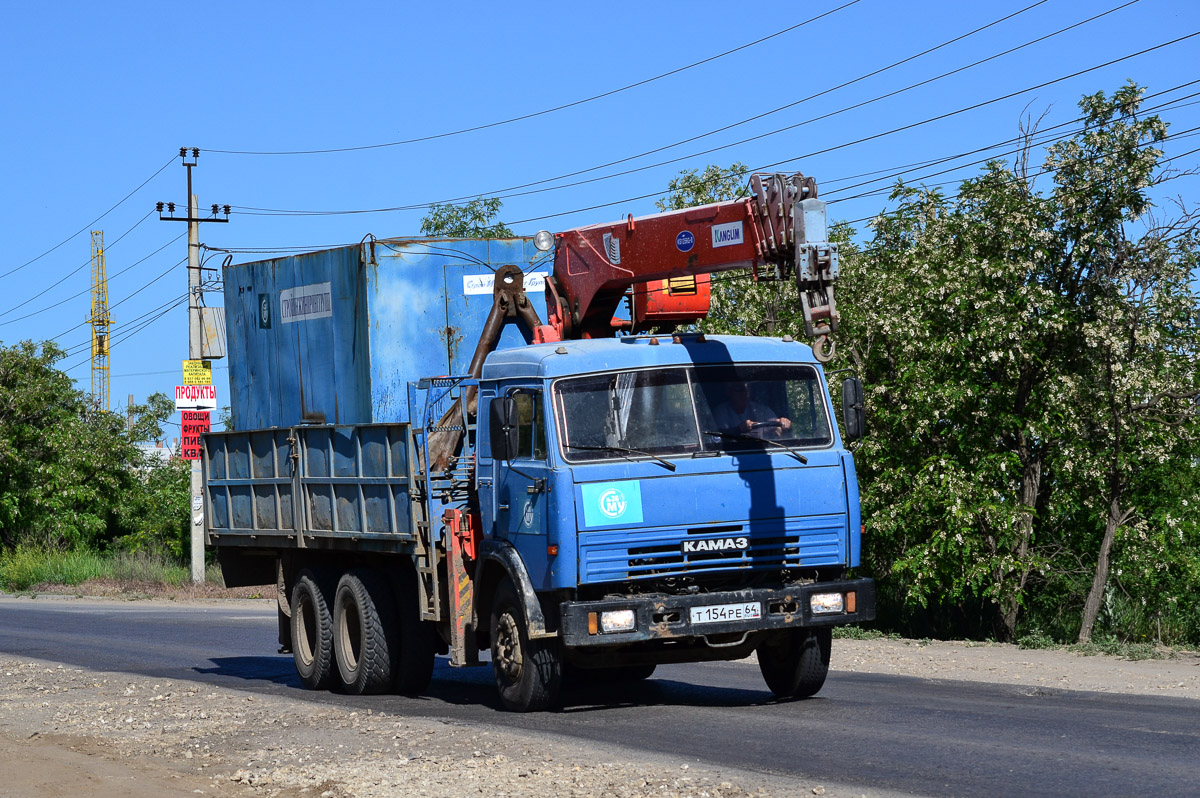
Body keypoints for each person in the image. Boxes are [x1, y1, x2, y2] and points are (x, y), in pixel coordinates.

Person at [712, 382, 791, 438]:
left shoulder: (762, 410)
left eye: (746, 389)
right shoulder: (721, 411)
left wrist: (783, 423)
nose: (744, 393)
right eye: (738, 389)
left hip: (761, 450)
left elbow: (777, 428)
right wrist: (739, 429)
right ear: (729, 392)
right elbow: (719, 436)